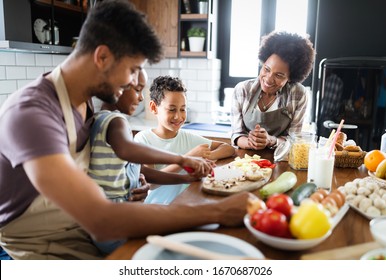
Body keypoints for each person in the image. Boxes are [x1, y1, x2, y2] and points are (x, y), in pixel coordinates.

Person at [0, 0, 250, 260]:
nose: (134, 82)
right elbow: (101, 219)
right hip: (43, 244)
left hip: (81, 229)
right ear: (103, 57)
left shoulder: (84, 105)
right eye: (133, 70)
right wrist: (219, 211)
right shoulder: (31, 114)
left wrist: (130, 183)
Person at [89, 70, 214, 254]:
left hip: (113, 220)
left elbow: (145, 172)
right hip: (117, 221)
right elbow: (128, 150)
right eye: (138, 90)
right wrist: (181, 159)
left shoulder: (104, 118)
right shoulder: (116, 120)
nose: (140, 99)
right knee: (193, 227)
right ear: (119, 88)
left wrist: (186, 179)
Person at [134, 75, 236, 204]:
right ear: (154, 108)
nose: (178, 116)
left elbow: (228, 148)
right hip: (159, 209)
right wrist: (188, 158)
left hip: (187, 202)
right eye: (172, 109)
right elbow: (151, 182)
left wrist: (205, 157)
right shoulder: (143, 139)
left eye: (183, 109)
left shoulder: (187, 137)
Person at [231, 30, 316, 150]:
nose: (269, 79)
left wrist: (271, 140)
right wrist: (251, 142)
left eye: (279, 75)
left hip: (280, 160)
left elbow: (294, 140)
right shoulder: (242, 90)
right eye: (266, 69)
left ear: (290, 77)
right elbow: (237, 135)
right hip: (246, 160)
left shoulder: (298, 94)